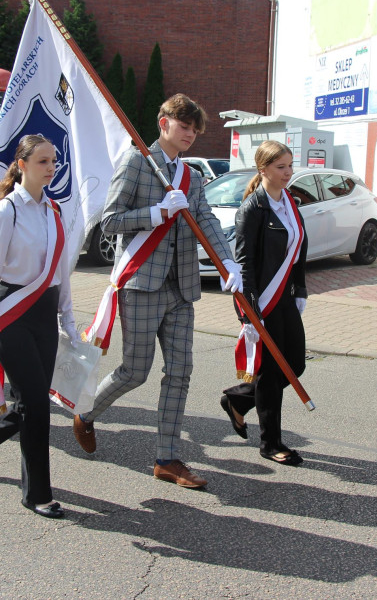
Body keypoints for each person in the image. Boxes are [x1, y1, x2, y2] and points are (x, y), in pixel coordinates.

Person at [73, 93, 242, 489]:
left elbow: (207, 222)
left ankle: (167, 458)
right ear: (163, 123)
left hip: (181, 286)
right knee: (135, 371)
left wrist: (228, 261)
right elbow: (111, 220)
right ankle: (86, 411)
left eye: (195, 130)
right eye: (184, 127)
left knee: (180, 371)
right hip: (143, 284)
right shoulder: (136, 163)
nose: (190, 135)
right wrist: (157, 213)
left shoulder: (192, 176)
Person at [0, 135, 76, 519]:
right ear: (23, 163)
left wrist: (70, 320)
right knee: (35, 406)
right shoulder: (5, 211)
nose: (51, 167)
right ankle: (37, 495)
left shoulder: (54, 210)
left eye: (54, 161)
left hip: (45, 315)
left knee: (34, 403)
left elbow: (60, 273)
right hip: (11, 313)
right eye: (44, 161)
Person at [219, 140, 308, 466]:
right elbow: (244, 266)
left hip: (285, 298)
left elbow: (299, 249)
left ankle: (239, 401)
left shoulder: (290, 204)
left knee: (295, 364)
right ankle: (271, 443)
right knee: (272, 373)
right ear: (263, 169)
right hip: (262, 302)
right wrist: (250, 316)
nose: (288, 173)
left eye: (289, 165)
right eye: (281, 167)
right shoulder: (252, 210)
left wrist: (300, 290)